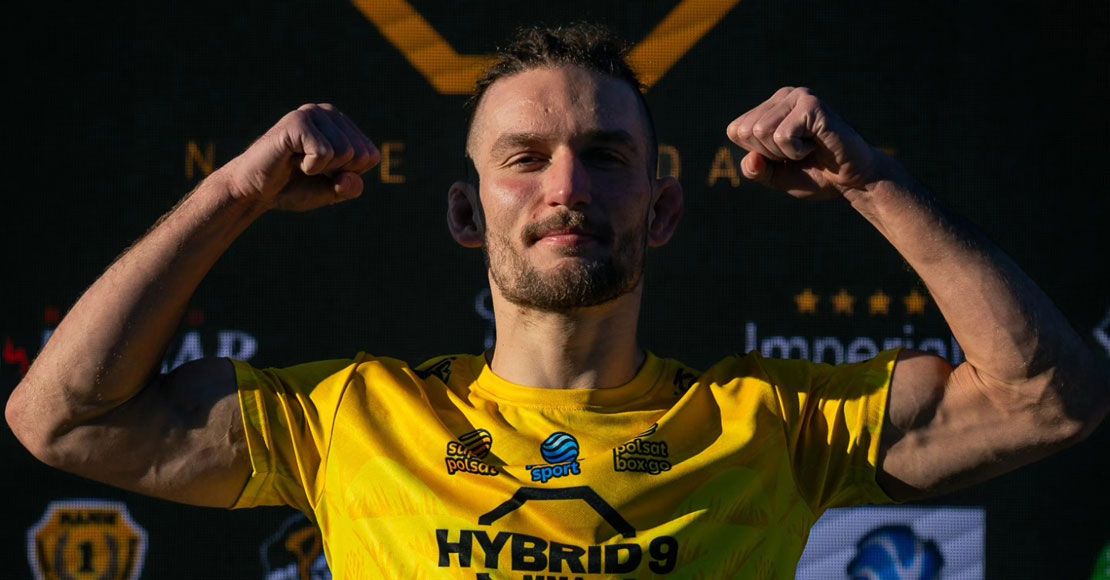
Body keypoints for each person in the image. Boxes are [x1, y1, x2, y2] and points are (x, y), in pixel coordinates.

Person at [5, 22, 1106, 578]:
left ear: (662, 211)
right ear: (464, 213)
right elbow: (61, 417)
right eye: (524, 158)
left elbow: (1049, 398)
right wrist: (232, 193)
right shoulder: (349, 418)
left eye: (606, 156)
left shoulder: (774, 425)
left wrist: (870, 182)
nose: (567, 186)